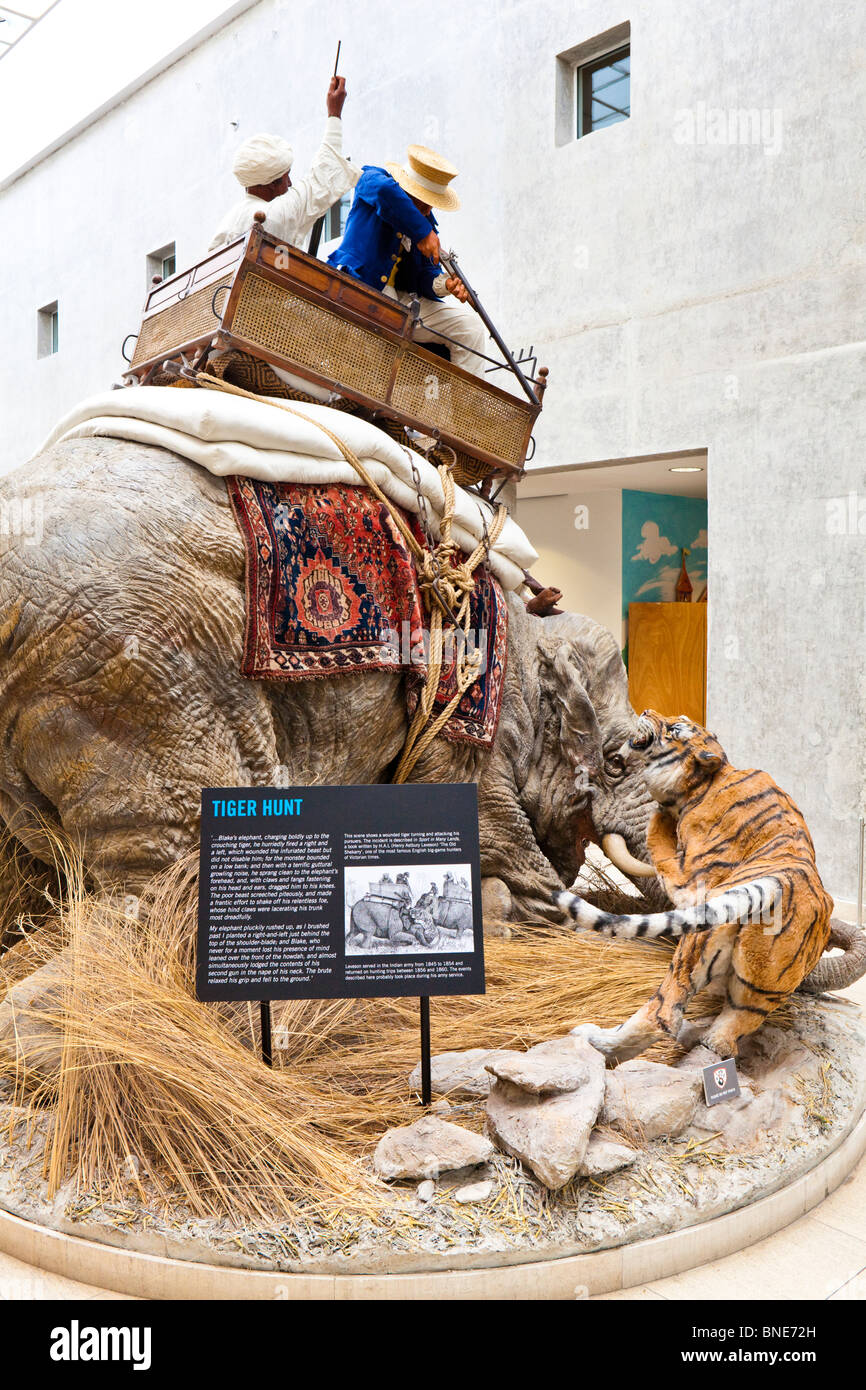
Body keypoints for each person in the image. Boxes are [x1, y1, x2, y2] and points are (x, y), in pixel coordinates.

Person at [328, 145, 487, 376]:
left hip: (400, 303)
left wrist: (445, 285)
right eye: (423, 200)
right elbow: (385, 193)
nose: (428, 208)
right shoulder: (373, 178)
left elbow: (424, 275)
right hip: (360, 288)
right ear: (407, 188)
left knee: (470, 329)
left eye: (432, 202)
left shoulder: (427, 222)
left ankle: (466, 407)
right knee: (391, 313)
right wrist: (422, 232)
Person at [209, 77, 359, 252]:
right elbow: (323, 175)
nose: (289, 184)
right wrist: (334, 114)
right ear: (271, 184)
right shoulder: (277, 212)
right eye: (285, 177)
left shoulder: (228, 222)